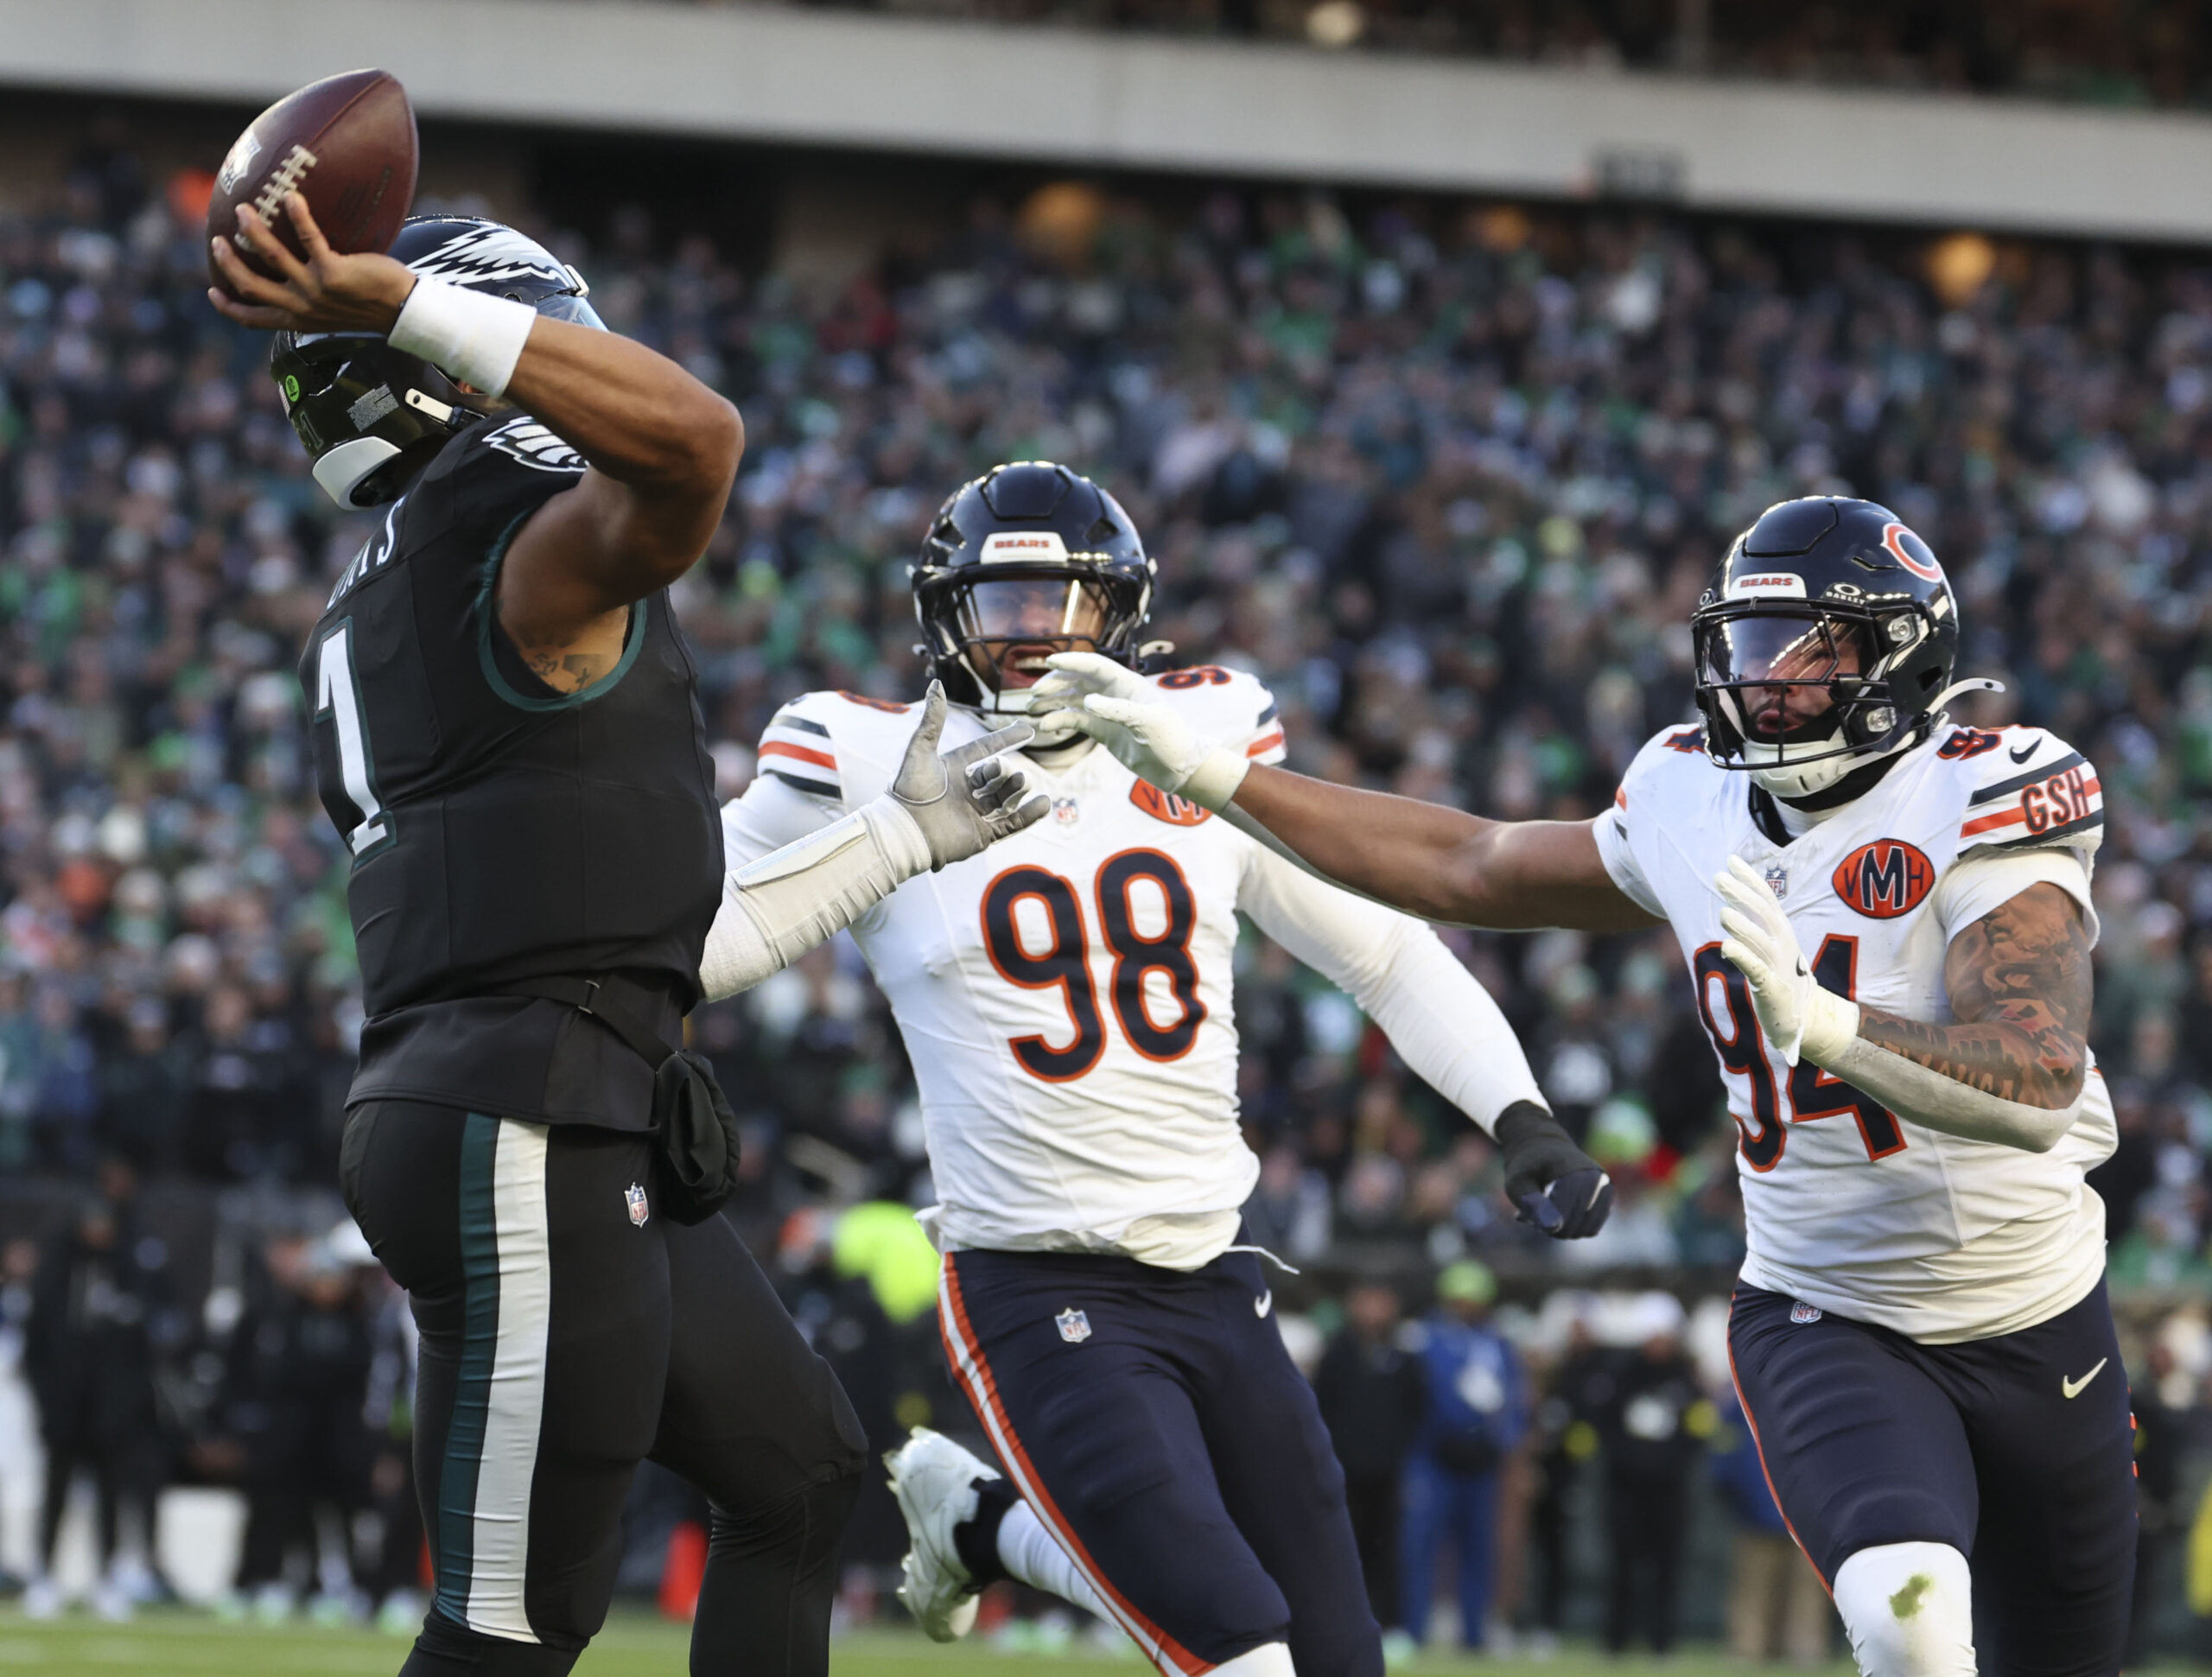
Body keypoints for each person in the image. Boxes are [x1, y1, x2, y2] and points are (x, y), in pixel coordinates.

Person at [1044, 494, 2131, 1677]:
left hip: (2037, 1313)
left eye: (1814, 656)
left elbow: (2036, 1077)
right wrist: (1217, 777)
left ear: (1904, 662)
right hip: (1831, 1310)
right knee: (1910, 1627)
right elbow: (1471, 860)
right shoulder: (1687, 792)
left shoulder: (1986, 787)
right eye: (1753, 649)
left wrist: (1824, 1023)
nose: (1769, 684)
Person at [211, 195, 1045, 1674]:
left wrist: (901, 838)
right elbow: (695, 439)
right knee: (515, 1629)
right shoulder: (511, 550)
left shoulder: (412, 585)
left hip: (563, 1091)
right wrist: (413, 298)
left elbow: (645, 929)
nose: (573, 363)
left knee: (800, 1473)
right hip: (521, 1118)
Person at [716, 461, 1609, 1677]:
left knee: (1338, 1661)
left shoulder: (1206, 737)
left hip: (1216, 1278)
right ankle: (992, 1524)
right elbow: (691, 935)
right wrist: (887, 843)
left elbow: (1386, 955)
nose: (1034, 640)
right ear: (943, 612)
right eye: (1003, 604)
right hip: (1034, 1286)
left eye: (1063, 605)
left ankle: (982, 1524)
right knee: (1238, 1653)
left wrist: (1521, 1117)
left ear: (1123, 614)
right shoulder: (870, 756)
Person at [1398, 1260, 1522, 1653]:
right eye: (1459, 1299)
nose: (1465, 1307)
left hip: (1481, 1460)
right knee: (1420, 1546)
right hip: (1435, 1457)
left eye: (1472, 1300)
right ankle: (1413, 1629)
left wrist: (1502, 1441)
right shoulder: (1426, 1339)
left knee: (1478, 1548)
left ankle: (1474, 1634)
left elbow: (1515, 1400)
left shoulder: (1498, 1344)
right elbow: (1424, 1395)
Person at [1594, 1293, 1708, 1655]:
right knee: (1623, 1566)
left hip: (1669, 1489)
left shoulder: (1684, 1378)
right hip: (1625, 1487)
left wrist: (1669, 1463)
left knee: (1666, 1569)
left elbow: (1696, 1430)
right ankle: (1617, 1640)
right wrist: (1632, 1461)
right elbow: (1606, 1428)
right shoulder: (1621, 1374)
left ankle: (1662, 1642)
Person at [1313, 1280, 1425, 1641]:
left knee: (1389, 1551)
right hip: (1343, 1471)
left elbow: (1416, 1409)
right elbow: (1319, 1408)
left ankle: (1390, 1626)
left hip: (1389, 1471)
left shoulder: (1404, 1354)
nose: (1374, 1312)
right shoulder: (1337, 1354)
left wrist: (1400, 1451)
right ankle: (1341, 1625)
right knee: (1343, 1550)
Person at [1712, 1384, 1832, 1664]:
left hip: (1800, 1510)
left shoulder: (1815, 1394)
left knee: (1803, 1588)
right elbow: (1725, 1451)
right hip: (1765, 1509)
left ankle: (1799, 1648)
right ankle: (1753, 1647)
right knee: (1759, 1586)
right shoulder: (1742, 1397)